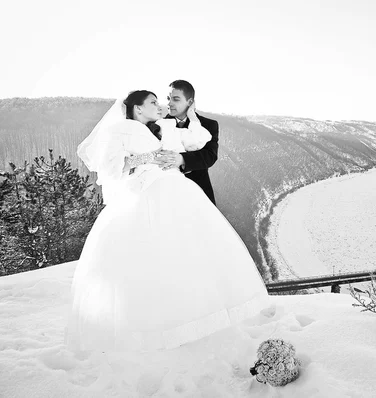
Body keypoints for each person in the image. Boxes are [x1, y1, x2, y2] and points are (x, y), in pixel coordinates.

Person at [67, 90, 268, 352]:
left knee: (188, 248)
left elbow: (200, 142)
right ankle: (157, 324)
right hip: (147, 194)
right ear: (137, 109)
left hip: (175, 188)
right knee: (155, 254)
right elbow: (113, 168)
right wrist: (148, 158)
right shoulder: (119, 130)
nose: (159, 105)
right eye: (152, 102)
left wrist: (186, 130)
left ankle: (195, 313)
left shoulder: (158, 128)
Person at [154, 80, 219, 205]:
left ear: (189, 102)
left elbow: (210, 156)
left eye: (176, 99)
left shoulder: (209, 125)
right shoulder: (159, 125)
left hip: (199, 189)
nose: (169, 103)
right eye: (168, 98)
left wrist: (182, 159)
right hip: (167, 191)